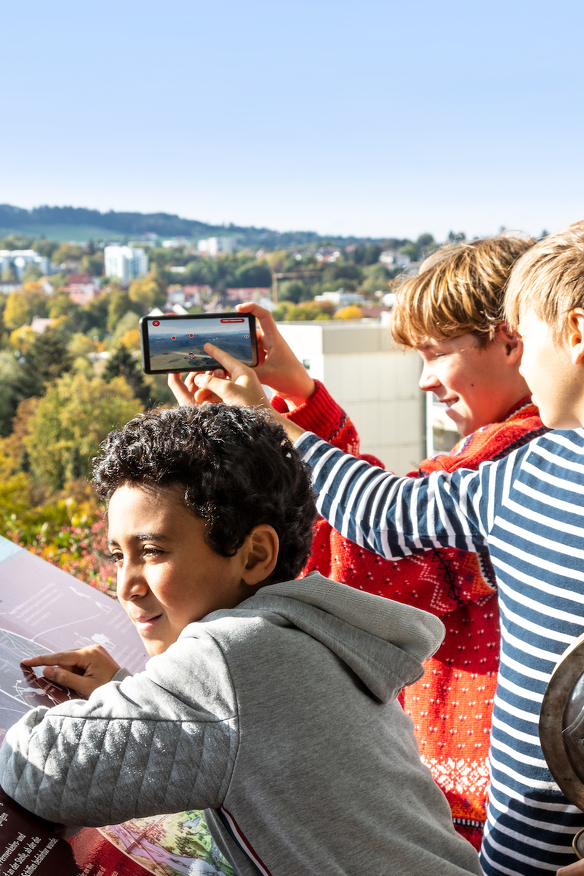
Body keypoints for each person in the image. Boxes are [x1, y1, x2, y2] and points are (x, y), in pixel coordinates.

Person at [181, 220, 584, 875]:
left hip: (494, 812)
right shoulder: (512, 462)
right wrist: (300, 400)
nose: (424, 380)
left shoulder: (525, 467)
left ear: (516, 341)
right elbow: (374, 507)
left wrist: (267, 427)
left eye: (434, 353)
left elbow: (368, 554)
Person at [0, 404, 482, 876]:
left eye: (151, 551)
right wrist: (122, 693)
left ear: (255, 554)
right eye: (117, 555)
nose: (126, 584)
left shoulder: (233, 654)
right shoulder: (308, 633)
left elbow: (39, 770)